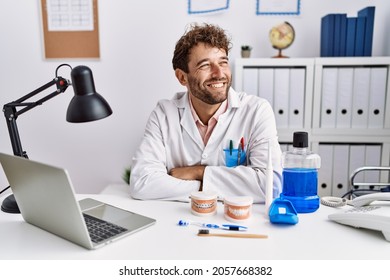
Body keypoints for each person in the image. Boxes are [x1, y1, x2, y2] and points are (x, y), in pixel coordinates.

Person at [130, 23, 282, 203]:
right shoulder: (164, 114)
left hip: (237, 222)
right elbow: (143, 183)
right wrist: (209, 188)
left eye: (223, 62)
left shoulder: (256, 111)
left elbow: (270, 185)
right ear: (182, 77)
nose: (219, 74)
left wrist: (198, 172)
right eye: (205, 65)